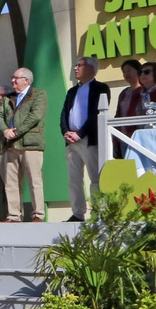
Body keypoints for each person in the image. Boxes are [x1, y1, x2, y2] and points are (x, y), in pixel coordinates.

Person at [61, 56, 111, 222]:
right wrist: (66, 132)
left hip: (89, 140)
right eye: (75, 65)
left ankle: (98, 212)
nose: (75, 68)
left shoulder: (101, 88)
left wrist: (80, 133)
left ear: (91, 69)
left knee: (95, 178)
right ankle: (77, 213)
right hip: (71, 141)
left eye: (79, 65)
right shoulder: (72, 91)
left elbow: (97, 115)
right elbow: (64, 114)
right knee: (73, 180)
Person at [0, 67, 48, 222]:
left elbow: (35, 116)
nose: (13, 80)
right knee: (11, 183)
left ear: (26, 80)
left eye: (16, 78)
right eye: (12, 78)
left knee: (34, 181)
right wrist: (5, 130)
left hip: (31, 144)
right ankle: (13, 215)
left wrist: (16, 132)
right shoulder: (8, 98)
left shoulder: (38, 95)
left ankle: (38, 214)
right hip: (11, 145)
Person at [112, 58, 143, 158]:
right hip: (123, 137)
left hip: (139, 136)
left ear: (138, 71)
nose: (126, 74)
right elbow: (118, 114)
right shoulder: (124, 93)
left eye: (129, 70)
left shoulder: (144, 91)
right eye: (124, 72)